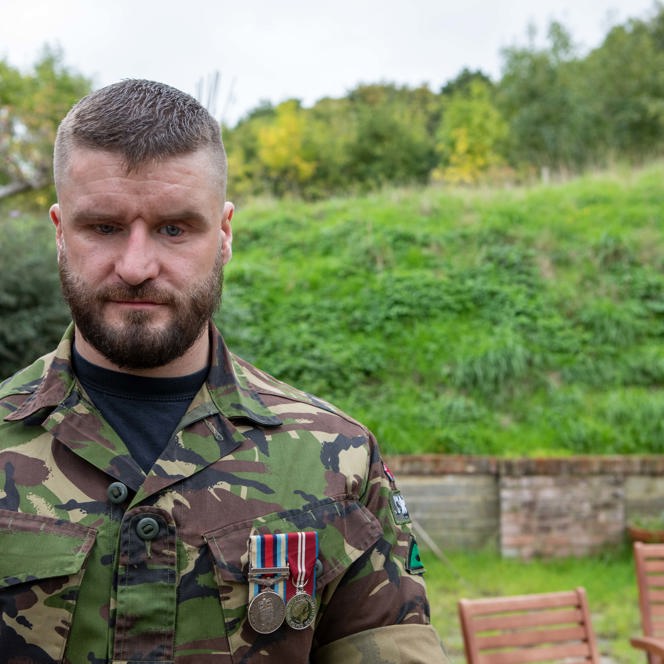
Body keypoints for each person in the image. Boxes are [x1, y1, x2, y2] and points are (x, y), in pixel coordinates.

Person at [0, 79, 447, 663]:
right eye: (104, 227)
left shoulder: (337, 457)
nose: (137, 266)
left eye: (174, 228)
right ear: (60, 232)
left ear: (225, 234)